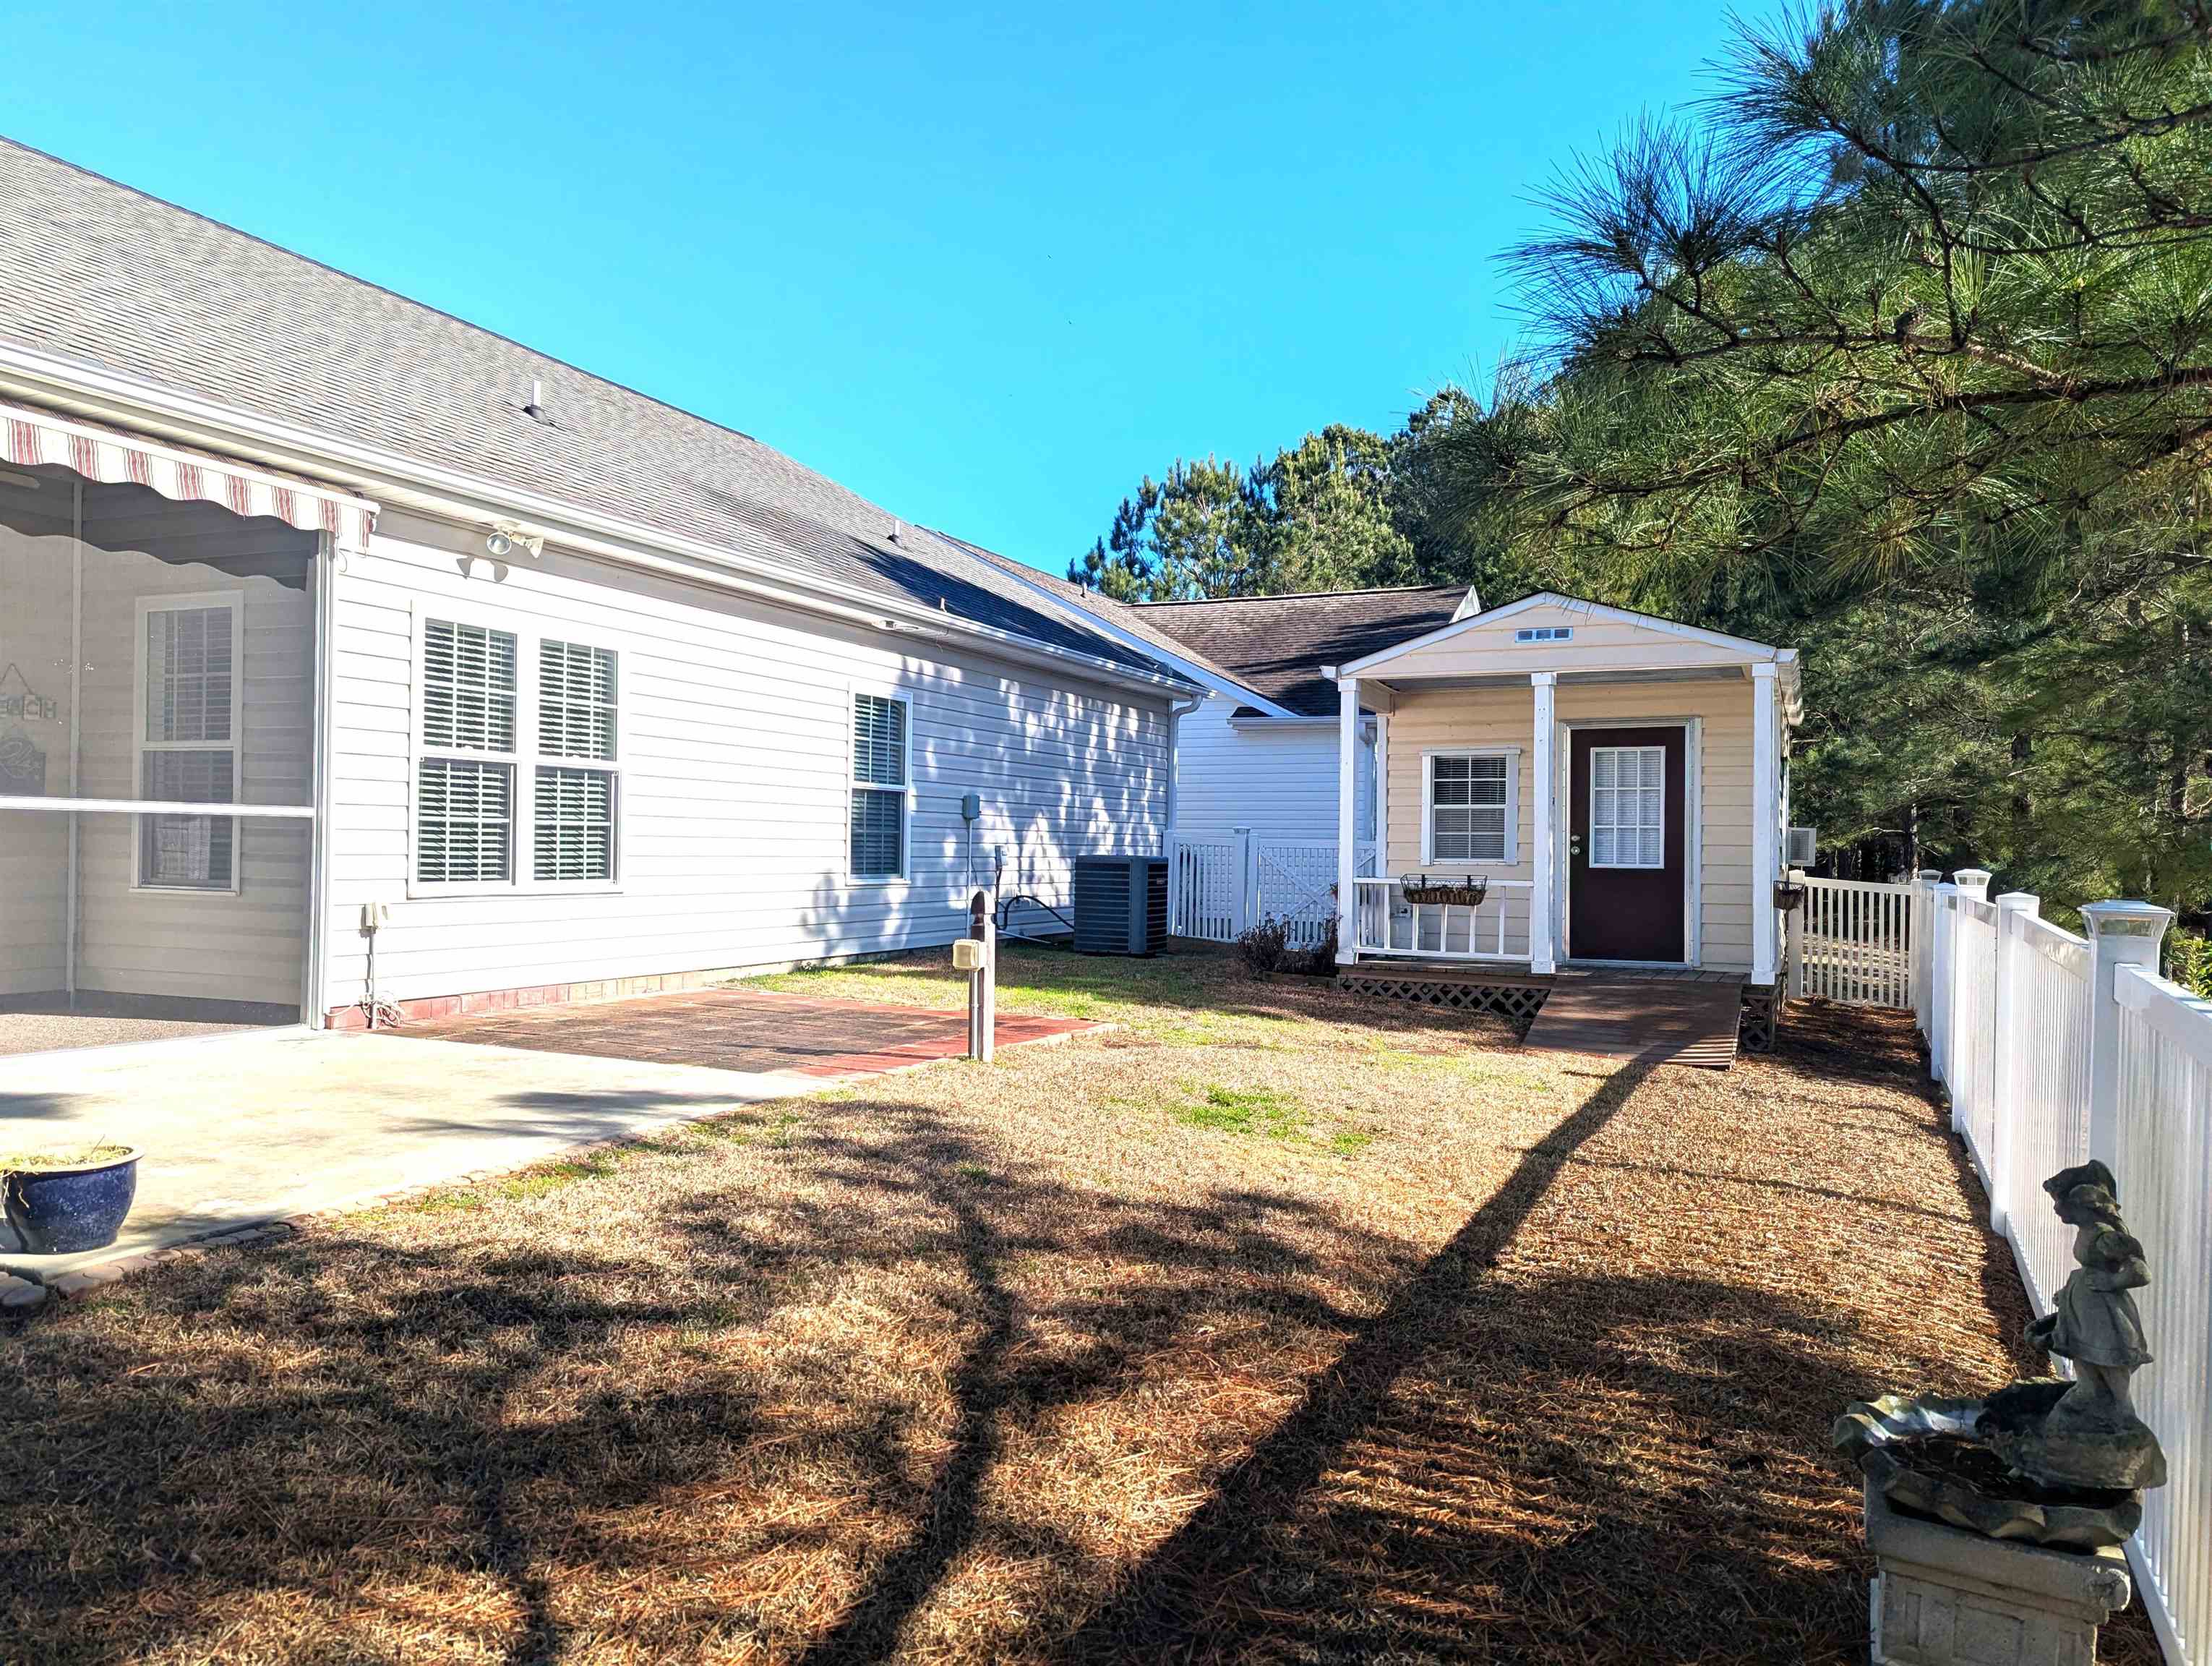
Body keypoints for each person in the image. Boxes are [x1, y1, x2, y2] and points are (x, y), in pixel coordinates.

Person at [2028, 1161, 2152, 1423]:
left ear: (2083, 1203)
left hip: (2107, 1320)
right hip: (2085, 1314)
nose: (2056, 1208)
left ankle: (2125, 1429)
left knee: (2111, 1373)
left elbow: (2141, 1273)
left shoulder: (2105, 1237)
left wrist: (2112, 1283)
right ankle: (2089, 1415)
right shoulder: (2087, 1231)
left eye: (2061, 1202)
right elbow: (2084, 1273)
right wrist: (2067, 1294)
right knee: (2086, 1368)